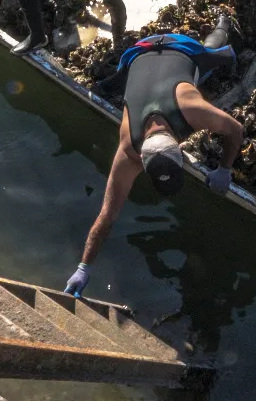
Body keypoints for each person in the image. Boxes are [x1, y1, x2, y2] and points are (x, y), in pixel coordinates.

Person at [64, 18, 244, 295]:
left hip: (178, 47)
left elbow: (236, 130)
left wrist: (225, 169)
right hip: (137, 51)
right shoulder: (129, 149)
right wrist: (83, 267)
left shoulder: (192, 110)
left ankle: (223, 23)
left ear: (180, 147)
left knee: (214, 55)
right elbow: (105, 217)